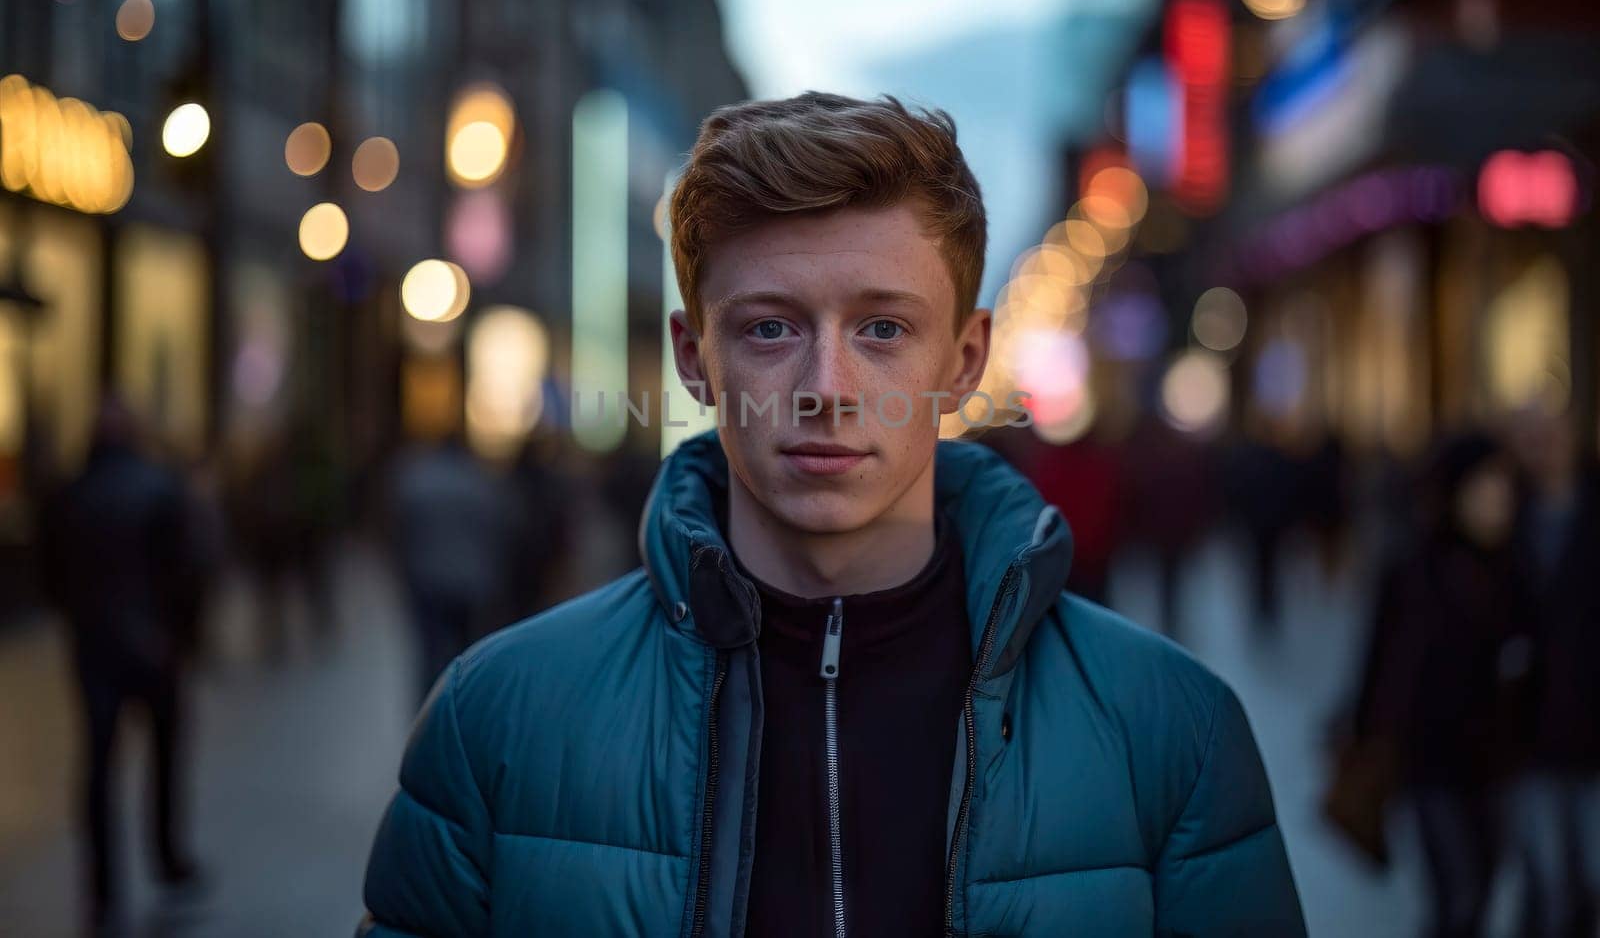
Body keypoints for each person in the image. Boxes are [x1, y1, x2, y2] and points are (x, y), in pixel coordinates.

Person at [356, 92, 1304, 936]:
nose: (826, 388)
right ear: (695, 358)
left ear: (965, 362)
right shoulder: (501, 718)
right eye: (770, 327)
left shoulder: (1172, 729)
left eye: (883, 329)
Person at [38, 397, 207, 932]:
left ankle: (104, 889)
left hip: (96, 646)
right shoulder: (159, 487)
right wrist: (181, 635)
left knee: (99, 765)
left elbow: (51, 574)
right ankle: (166, 855)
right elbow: (186, 570)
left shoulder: (70, 494)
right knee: (164, 753)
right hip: (154, 644)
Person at [1348, 432, 1526, 938]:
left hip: (1497, 761)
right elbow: (1378, 659)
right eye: (1484, 488)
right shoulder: (1414, 567)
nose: (1497, 500)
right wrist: (1364, 739)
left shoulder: (1516, 566)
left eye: (1503, 487)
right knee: (1459, 890)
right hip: (1429, 760)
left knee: (1485, 881)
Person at [1506, 409, 1600, 937]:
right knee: (1547, 874)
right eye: (1533, 434)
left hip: (1591, 723)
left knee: (1588, 871)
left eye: (1552, 432)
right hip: (1532, 729)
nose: (1544, 445)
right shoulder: (1510, 511)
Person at [387, 430, 523, 702]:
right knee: (466, 651)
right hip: (469, 581)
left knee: (430, 650)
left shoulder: (418, 481)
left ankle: (429, 706)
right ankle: (462, 702)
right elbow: (499, 530)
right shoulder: (477, 481)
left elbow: (398, 529)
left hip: (427, 578)